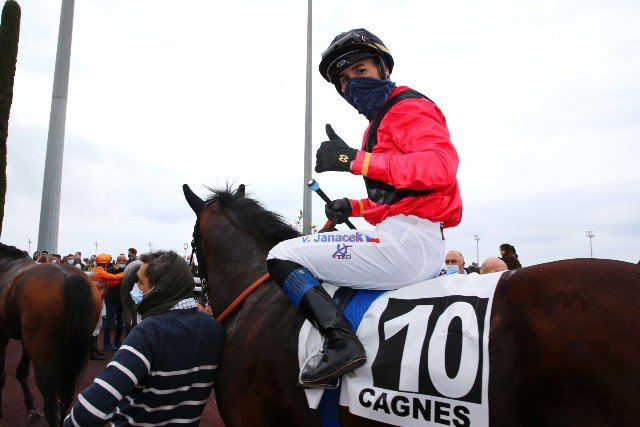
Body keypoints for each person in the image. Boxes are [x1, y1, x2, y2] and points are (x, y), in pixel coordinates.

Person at [266, 28, 461, 388]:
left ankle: (340, 343)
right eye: (343, 80)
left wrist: (355, 160)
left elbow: (439, 168)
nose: (351, 84)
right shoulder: (380, 121)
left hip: (408, 242)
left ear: (384, 69)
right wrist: (352, 206)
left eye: (360, 71)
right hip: (407, 235)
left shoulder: (408, 107)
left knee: (281, 255)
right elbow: (398, 198)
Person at [64, 250, 224, 427]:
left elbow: (91, 410)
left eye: (140, 282)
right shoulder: (214, 329)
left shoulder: (149, 332)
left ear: (161, 287)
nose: (135, 289)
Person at [88, 253, 124, 360]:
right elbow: (113, 277)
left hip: (97, 300)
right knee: (95, 326)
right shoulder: (99, 272)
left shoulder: (97, 271)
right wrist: (126, 272)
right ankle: (92, 352)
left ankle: (94, 349)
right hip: (95, 301)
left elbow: (110, 282)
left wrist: (119, 278)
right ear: (106, 262)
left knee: (97, 325)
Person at [102, 254, 127, 351]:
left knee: (120, 322)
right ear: (117, 261)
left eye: (124, 261)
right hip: (111, 300)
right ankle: (106, 342)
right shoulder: (110, 270)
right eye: (121, 261)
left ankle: (117, 341)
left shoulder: (125, 271)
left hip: (121, 300)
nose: (122, 263)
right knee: (110, 322)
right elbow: (110, 281)